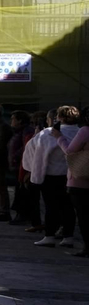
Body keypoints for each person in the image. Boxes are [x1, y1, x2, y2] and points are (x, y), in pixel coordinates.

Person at [29, 107, 79, 248]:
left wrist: (36, 177)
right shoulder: (80, 132)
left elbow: (38, 156)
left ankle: (49, 235)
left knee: (51, 207)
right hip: (72, 175)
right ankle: (68, 236)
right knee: (68, 207)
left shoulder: (48, 134)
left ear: (59, 118)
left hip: (52, 175)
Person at [64, 109, 89, 257]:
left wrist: (59, 137)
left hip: (81, 180)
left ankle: (87, 247)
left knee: (84, 216)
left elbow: (70, 151)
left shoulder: (85, 131)